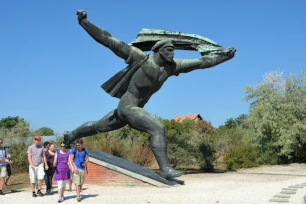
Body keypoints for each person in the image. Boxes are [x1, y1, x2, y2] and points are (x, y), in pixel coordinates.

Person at [64, 10, 236, 179]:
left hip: (133, 109)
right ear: (160, 50)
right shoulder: (141, 58)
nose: (173, 53)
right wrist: (84, 22)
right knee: (158, 128)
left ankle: (71, 135)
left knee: (98, 126)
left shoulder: (171, 67)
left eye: (173, 50)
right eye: (169, 50)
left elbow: (201, 62)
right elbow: (109, 41)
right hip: (128, 105)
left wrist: (224, 57)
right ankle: (165, 169)